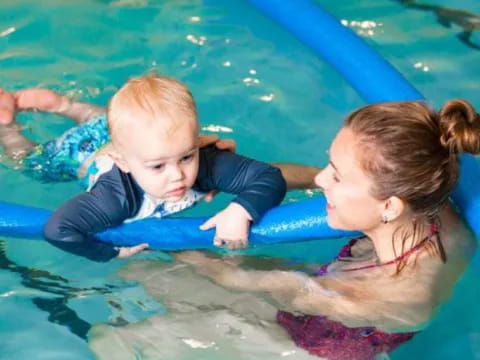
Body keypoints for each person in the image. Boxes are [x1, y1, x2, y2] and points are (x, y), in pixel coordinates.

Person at [176, 99, 479, 359]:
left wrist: (172, 245)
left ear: (389, 207)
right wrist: (215, 169)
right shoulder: (428, 201)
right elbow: (306, 177)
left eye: (337, 176)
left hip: (308, 346)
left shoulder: (386, 295)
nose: (321, 179)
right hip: (325, 287)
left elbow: (239, 279)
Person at [0, 75, 316, 262]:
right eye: (159, 167)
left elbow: (268, 176)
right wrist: (110, 253)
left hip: (130, 138)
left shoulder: (202, 160)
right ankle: (10, 127)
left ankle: (64, 106)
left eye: (186, 157)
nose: (177, 175)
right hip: (76, 154)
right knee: (32, 162)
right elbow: (58, 230)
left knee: (107, 122)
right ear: (123, 164)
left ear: (196, 141)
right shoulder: (114, 198)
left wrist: (241, 209)